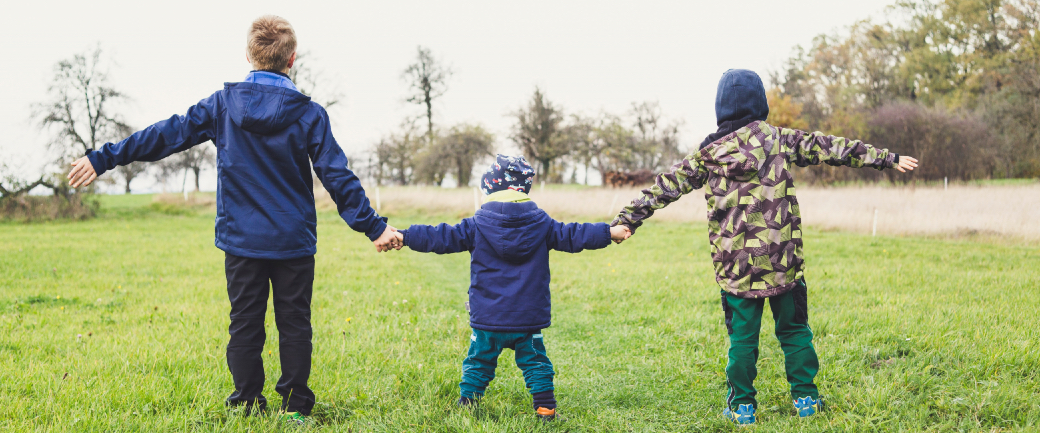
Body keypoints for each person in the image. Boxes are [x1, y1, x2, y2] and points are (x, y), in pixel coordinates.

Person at [65, 15, 401, 424]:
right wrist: (374, 227)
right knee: (294, 323)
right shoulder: (310, 113)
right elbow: (337, 175)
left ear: (248, 55)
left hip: (242, 241)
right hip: (292, 241)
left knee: (244, 324)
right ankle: (295, 409)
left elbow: (165, 135)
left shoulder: (222, 106)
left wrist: (104, 157)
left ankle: (245, 402)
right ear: (292, 59)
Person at [611, 69, 919, 425]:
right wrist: (886, 158)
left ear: (721, 109)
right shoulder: (778, 140)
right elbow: (830, 147)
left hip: (737, 269)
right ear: (761, 103)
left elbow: (664, 186)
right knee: (794, 330)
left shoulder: (708, 155)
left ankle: (742, 406)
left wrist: (627, 219)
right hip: (782, 261)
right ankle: (806, 399)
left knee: (742, 339)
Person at [389, 155, 631, 421]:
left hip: (488, 317)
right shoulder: (543, 224)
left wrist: (405, 235)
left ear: (490, 188)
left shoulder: (476, 224)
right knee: (537, 364)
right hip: (527, 318)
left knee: (478, 362)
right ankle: (546, 410)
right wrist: (609, 233)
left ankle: (467, 404)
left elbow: (440, 236)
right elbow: (575, 234)